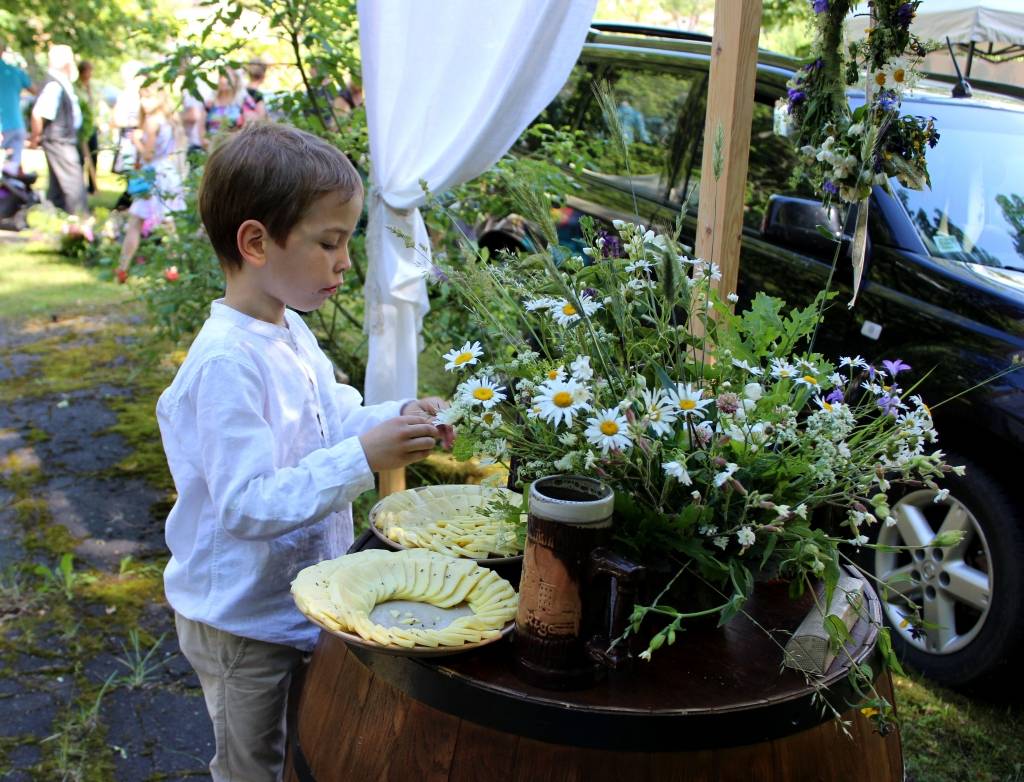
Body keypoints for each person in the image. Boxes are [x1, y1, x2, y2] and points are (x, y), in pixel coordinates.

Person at [156, 121, 454, 782]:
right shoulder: (226, 364)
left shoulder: (283, 327)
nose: (345, 262)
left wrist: (396, 418)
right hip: (242, 624)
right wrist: (363, 457)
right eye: (330, 242)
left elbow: (332, 414)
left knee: (305, 747)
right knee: (251, 765)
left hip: (299, 604)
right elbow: (245, 504)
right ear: (257, 242)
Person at [116, 85, 186, 282]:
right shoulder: (170, 121)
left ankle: (123, 267)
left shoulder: (152, 122)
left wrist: (136, 140)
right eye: (142, 98)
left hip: (154, 175)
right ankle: (173, 268)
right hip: (167, 172)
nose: (144, 103)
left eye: (148, 97)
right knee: (168, 223)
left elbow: (148, 154)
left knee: (136, 221)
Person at [29, 44, 87, 216]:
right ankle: (81, 220)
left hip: (61, 137)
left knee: (57, 183)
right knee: (73, 180)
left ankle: (54, 216)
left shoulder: (60, 82)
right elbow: (38, 113)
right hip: (59, 139)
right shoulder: (54, 84)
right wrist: (35, 137)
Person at [0, 42, 34, 178]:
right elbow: (36, 91)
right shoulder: (16, 72)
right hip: (16, 125)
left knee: (10, 167)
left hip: (5, 125)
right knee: (11, 168)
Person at [201, 68, 256, 146]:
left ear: (236, 80)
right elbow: (201, 125)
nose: (223, 80)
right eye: (221, 77)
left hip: (234, 147)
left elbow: (250, 125)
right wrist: (205, 141)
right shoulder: (210, 101)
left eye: (227, 77)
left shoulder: (244, 100)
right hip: (210, 146)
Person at [76, 60, 99, 194]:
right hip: (81, 128)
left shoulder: (91, 87)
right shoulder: (76, 87)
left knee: (94, 155)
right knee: (80, 158)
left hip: (92, 127)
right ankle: (79, 185)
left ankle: (92, 186)